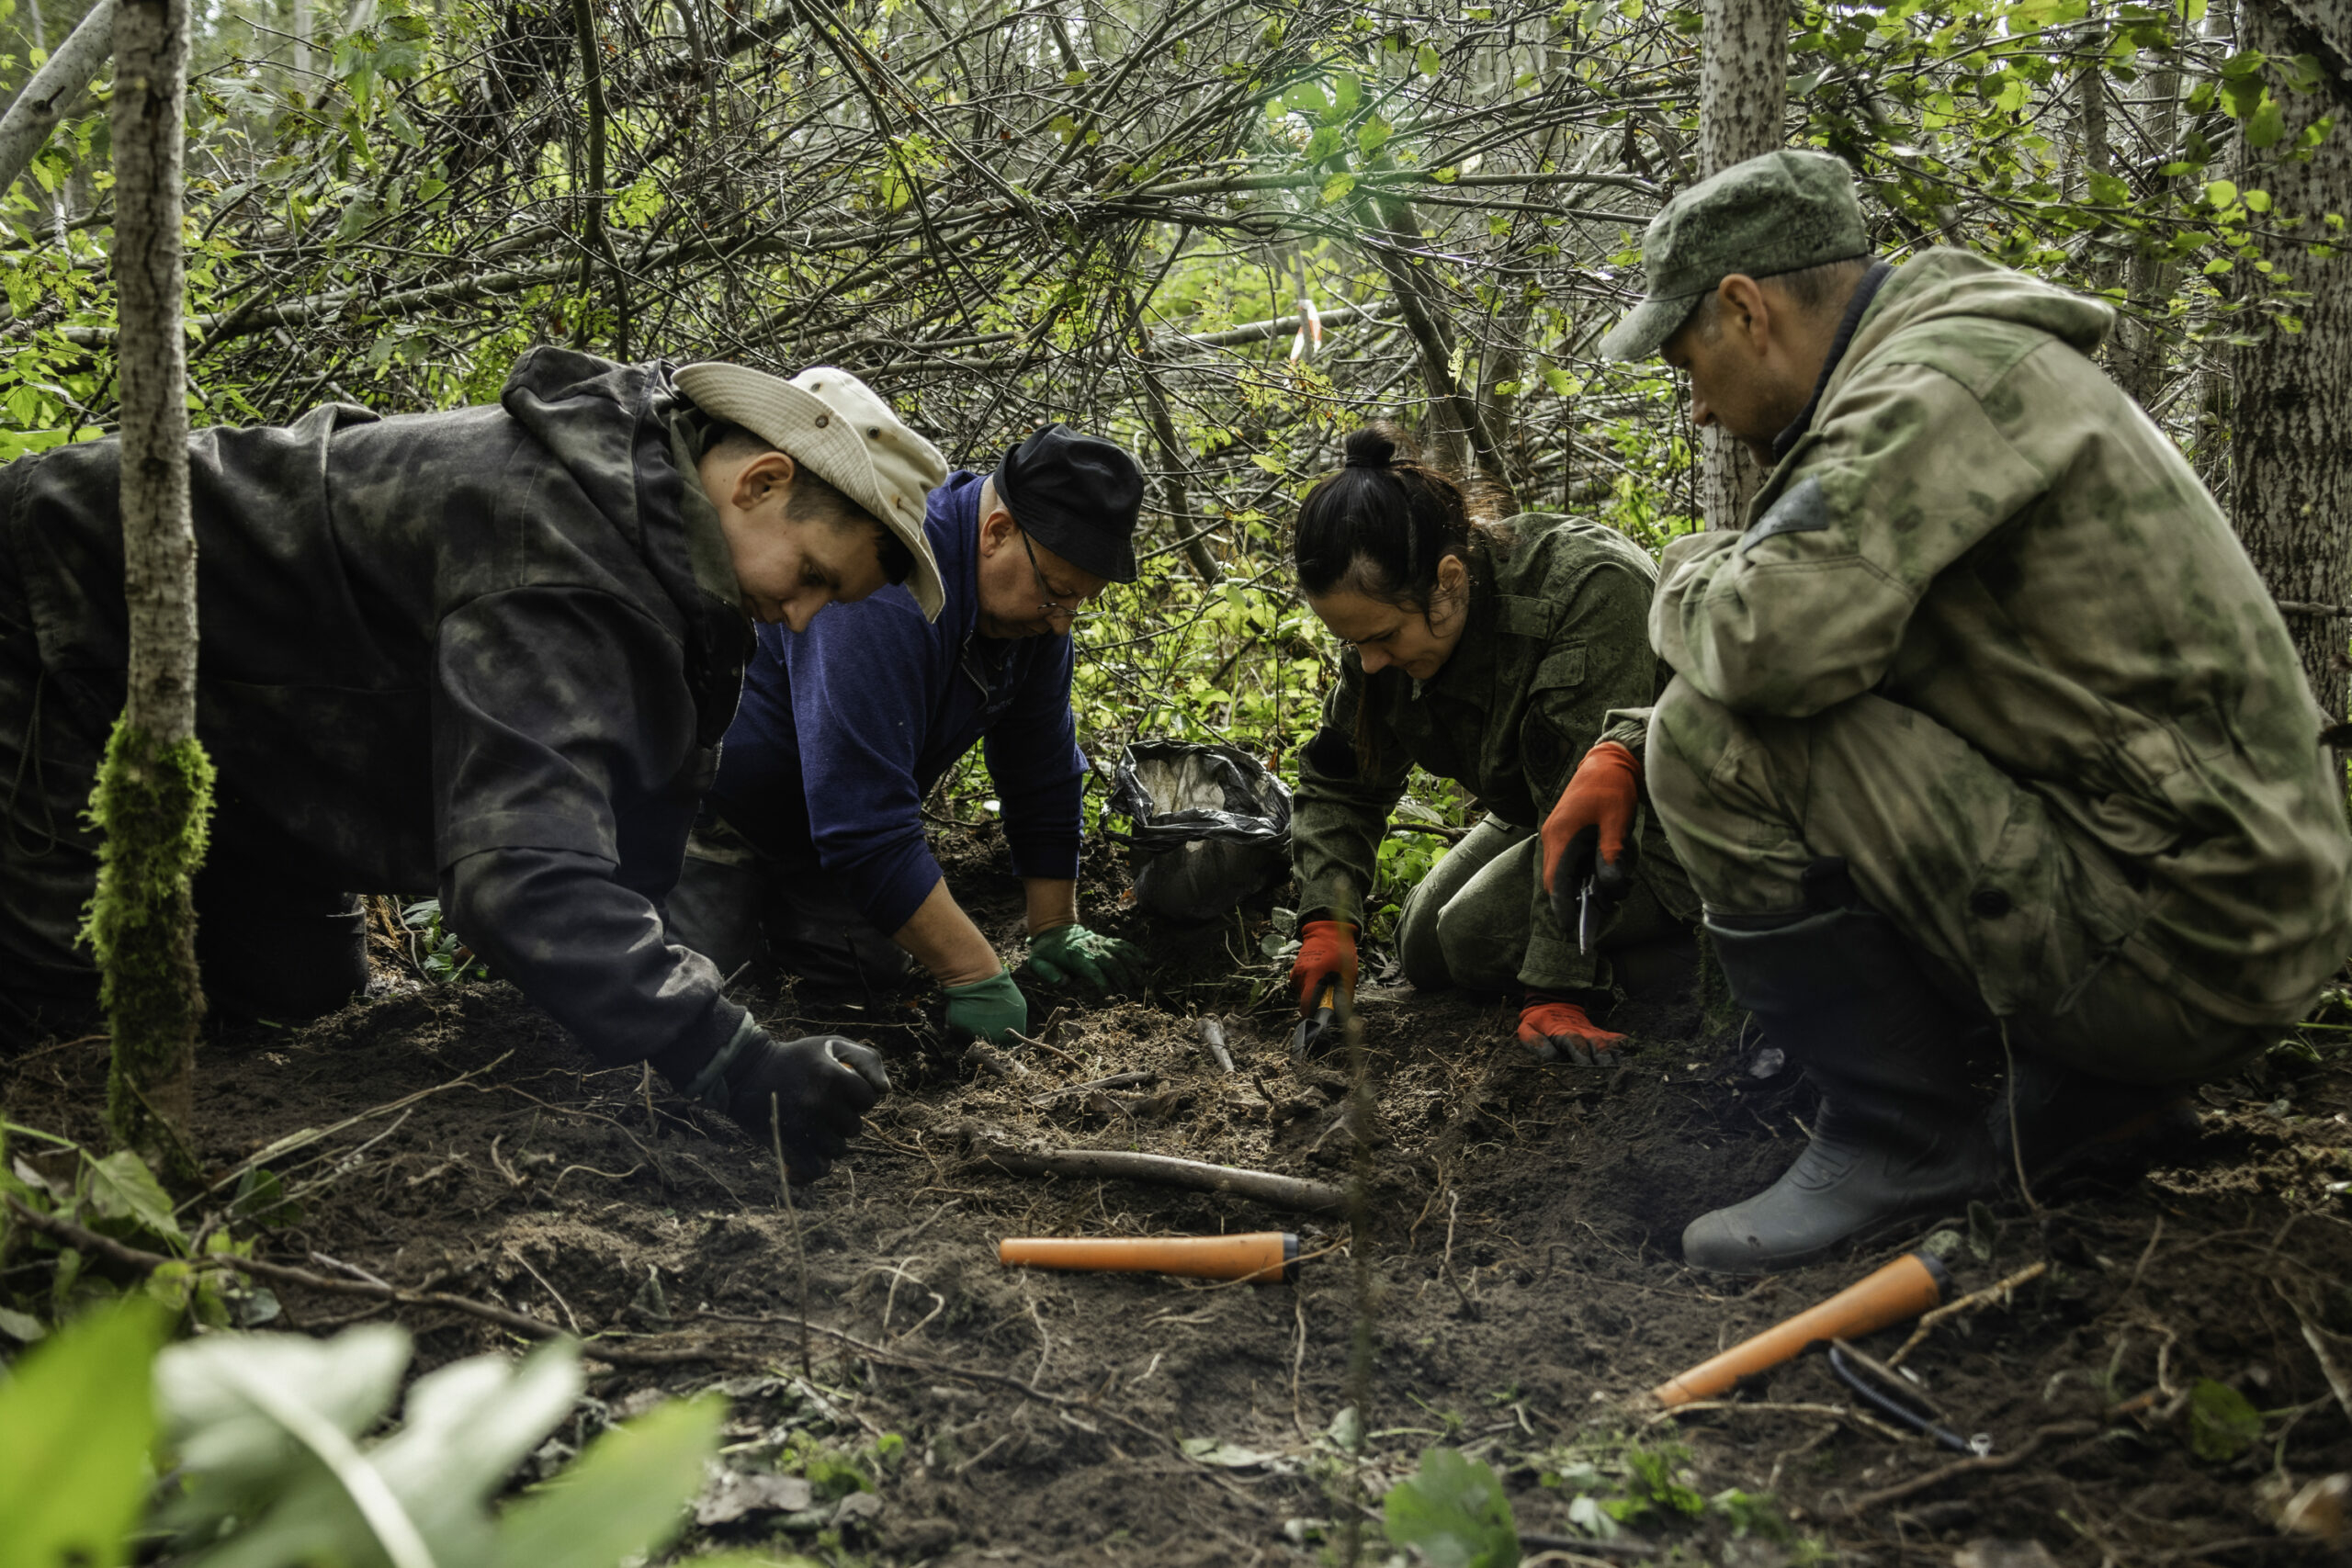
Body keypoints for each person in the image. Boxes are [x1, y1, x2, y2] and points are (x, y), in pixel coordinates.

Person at [1544, 149, 2352, 1271]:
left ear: (1745, 310)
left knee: (1713, 742)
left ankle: (1896, 1138)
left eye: (1689, 360)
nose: (1697, 404)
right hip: (2220, 902)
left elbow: (1763, 644)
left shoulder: (1923, 393)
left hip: (2186, 943)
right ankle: (2090, 1096)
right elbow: (1874, 643)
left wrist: (1682, 567)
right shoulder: (1958, 363)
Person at [0, 349, 945, 1179]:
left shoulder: (643, 513)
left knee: (296, 1007)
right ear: (759, 482)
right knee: (78, 1053)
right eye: (815, 576)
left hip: (256, 741)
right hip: (51, 632)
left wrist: (644, 1004)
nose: (803, 618)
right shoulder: (561, 549)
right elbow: (522, 878)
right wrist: (733, 1061)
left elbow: (618, 826)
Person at [666, 423, 1148, 1044]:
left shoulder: (1033, 615)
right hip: (724, 810)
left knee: (859, 986)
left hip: (824, 842)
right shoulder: (890, 583)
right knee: (696, 995)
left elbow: (1043, 765)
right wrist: (974, 971)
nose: (1062, 623)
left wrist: (1053, 923)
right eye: (1057, 594)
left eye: (1078, 603)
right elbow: (862, 822)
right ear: (997, 533)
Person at [1284, 424, 1697, 1062]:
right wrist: (1325, 922)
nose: (1368, 664)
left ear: (1449, 581)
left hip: (1673, 827)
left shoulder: (1589, 590)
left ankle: (1701, 957)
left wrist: (1555, 991)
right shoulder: (1383, 637)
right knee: (1423, 942)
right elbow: (1342, 783)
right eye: (1354, 643)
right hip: (1543, 811)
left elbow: (1590, 818)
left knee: (1472, 936)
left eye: (1384, 637)